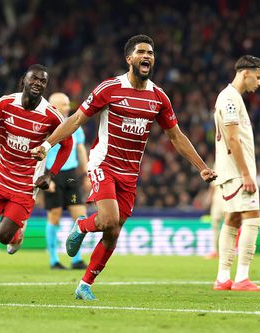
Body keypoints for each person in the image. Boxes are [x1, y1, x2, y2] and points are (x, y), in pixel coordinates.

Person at [31, 35, 217, 300]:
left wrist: (201, 166)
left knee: (113, 231)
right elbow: (75, 120)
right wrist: (47, 145)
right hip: (103, 162)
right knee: (107, 219)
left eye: (151, 53)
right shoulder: (109, 88)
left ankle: (85, 285)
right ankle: (81, 226)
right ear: (129, 58)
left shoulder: (159, 97)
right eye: (142, 52)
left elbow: (176, 136)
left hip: (130, 173)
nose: (147, 56)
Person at [0, 64, 73, 293]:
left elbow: (67, 144)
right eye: (34, 79)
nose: (38, 83)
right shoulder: (5, 103)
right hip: (0, 174)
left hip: (26, 182)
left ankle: (16, 232)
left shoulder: (51, 114)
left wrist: (50, 173)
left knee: (3, 236)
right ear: (24, 80)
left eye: (43, 81)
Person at [213, 55, 260, 292]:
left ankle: (223, 278)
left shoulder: (230, 98)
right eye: (257, 77)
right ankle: (242, 277)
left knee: (233, 219)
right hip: (237, 172)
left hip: (229, 171)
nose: (259, 83)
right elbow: (233, 139)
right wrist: (247, 175)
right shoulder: (230, 100)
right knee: (253, 218)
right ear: (245, 73)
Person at [44, 92, 88, 270]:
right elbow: (39, 153)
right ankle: (54, 260)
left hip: (71, 176)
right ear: (53, 106)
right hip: (51, 175)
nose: (67, 107)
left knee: (80, 216)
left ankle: (76, 258)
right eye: (63, 104)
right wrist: (44, 178)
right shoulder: (46, 126)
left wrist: (86, 174)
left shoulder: (76, 125)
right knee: (54, 217)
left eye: (68, 104)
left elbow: (81, 150)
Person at [204, 181, 225, 259]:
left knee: (229, 227)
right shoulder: (217, 170)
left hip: (228, 201)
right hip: (217, 203)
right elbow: (212, 187)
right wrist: (209, 199)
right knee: (215, 227)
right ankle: (216, 251)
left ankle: (227, 251)